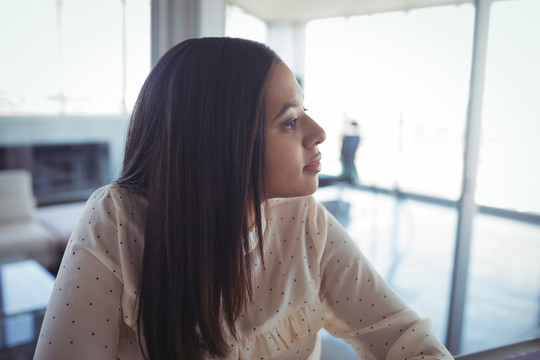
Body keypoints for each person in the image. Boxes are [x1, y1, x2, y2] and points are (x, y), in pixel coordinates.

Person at [34, 37, 453, 360]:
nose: (319, 132)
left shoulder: (304, 219)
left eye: (305, 110)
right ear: (223, 141)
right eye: (290, 121)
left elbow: (404, 338)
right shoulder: (118, 222)